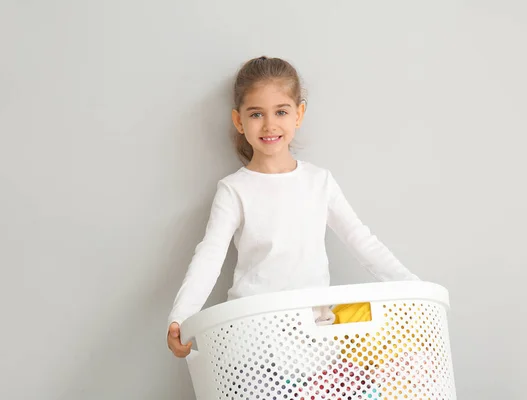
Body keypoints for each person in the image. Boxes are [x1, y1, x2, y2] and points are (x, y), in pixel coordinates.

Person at [167, 56, 419, 358]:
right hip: (253, 335)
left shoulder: (319, 181)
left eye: (281, 111)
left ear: (298, 114)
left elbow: (361, 240)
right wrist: (181, 316)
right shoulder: (234, 190)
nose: (270, 124)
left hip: (314, 338)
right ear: (239, 121)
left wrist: (413, 288)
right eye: (257, 114)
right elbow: (210, 255)